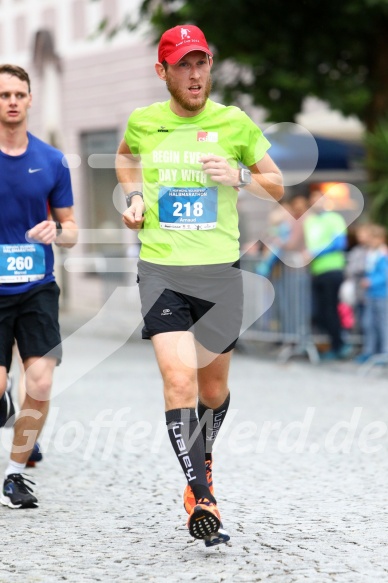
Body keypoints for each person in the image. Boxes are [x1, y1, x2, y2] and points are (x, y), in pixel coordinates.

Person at [116, 24, 283, 546]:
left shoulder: (234, 124)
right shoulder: (144, 123)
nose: (195, 74)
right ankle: (201, 493)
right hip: (162, 269)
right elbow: (125, 157)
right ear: (162, 71)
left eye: (202, 63)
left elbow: (276, 184)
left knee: (212, 390)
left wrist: (238, 178)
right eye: (183, 64)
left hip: (219, 273)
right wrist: (135, 198)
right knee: (180, 383)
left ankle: (201, 453)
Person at [0, 64, 78, 508]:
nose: (12, 101)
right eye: (3, 94)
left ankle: (15, 476)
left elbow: (72, 230)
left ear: (30, 100)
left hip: (37, 286)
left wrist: (56, 231)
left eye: (19, 94)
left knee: (42, 380)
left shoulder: (51, 160)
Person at [303, 189, 351, 360]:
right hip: (316, 271)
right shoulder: (309, 222)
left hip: (332, 269)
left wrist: (316, 252)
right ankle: (336, 342)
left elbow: (340, 242)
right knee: (319, 312)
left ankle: (340, 345)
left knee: (331, 310)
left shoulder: (334, 218)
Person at [355, 224, 388, 363]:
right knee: (368, 323)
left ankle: (385, 352)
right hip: (370, 294)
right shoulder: (370, 253)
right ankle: (370, 350)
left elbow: (385, 274)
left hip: (382, 293)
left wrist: (371, 281)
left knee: (383, 324)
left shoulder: (383, 254)